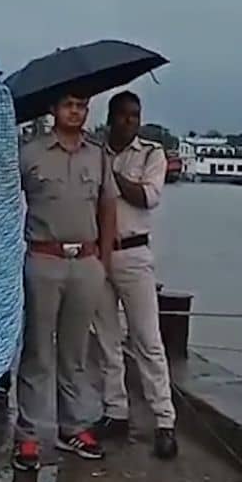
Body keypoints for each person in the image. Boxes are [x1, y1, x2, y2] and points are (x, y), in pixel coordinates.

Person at [12, 92, 119, 471]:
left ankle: (73, 427)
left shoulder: (98, 154)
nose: (76, 111)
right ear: (54, 110)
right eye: (68, 105)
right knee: (38, 351)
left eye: (82, 106)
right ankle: (27, 434)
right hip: (43, 259)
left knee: (75, 354)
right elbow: (5, 200)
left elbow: (108, 206)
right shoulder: (30, 153)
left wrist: (103, 261)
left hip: (85, 262)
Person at [90, 90, 179, 459]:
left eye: (136, 115)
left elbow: (147, 197)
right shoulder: (93, 152)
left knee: (147, 339)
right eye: (124, 115)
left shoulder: (151, 153)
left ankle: (164, 420)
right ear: (111, 118)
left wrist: (110, 175)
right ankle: (116, 411)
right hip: (98, 253)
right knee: (106, 338)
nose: (131, 121)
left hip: (134, 253)